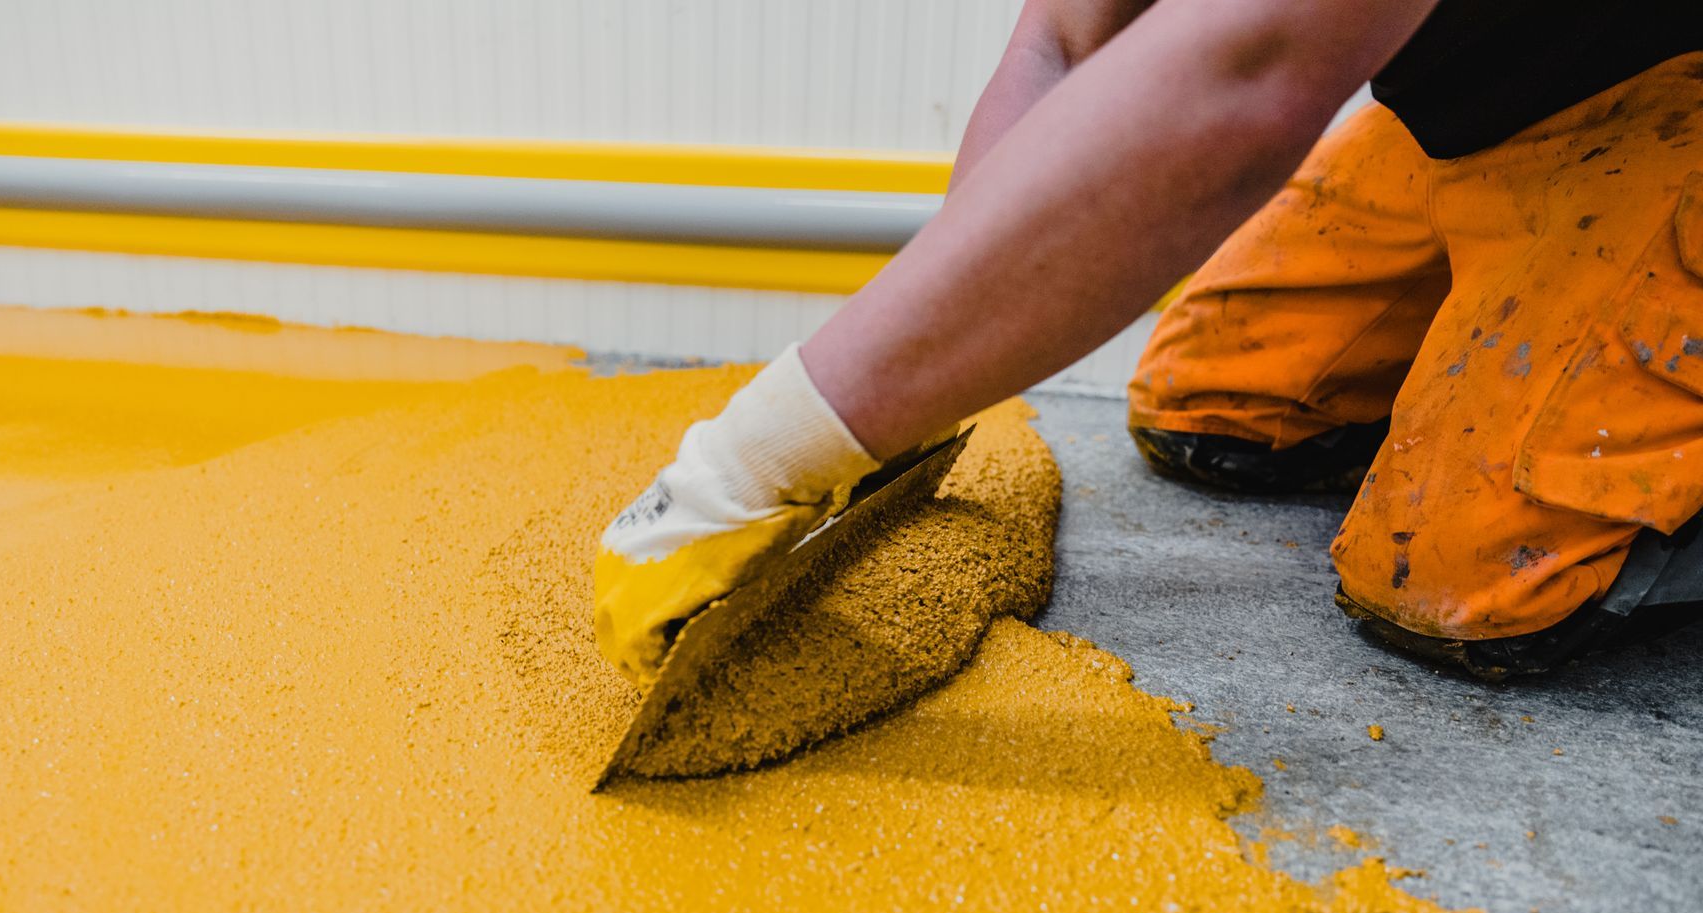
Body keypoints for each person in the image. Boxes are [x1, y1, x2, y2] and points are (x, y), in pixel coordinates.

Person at [594, 0, 1703, 685]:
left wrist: (757, 460)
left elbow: (1248, 76)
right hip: (1500, 96)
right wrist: (922, 377)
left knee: (1466, 578)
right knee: (1215, 398)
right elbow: (1061, 46)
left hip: (1674, 97)